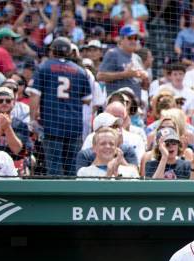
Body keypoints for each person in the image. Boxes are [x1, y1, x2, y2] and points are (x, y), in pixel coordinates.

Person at [28, 37, 92, 177]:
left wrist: (32, 118)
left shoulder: (44, 67)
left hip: (52, 125)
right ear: (69, 52)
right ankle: (71, 198)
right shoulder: (80, 71)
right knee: (71, 168)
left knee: (54, 168)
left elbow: (34, 96)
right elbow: (87, 100)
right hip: (73, 126)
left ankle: (56, 198)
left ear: (52, 51)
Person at [97, 25, 148, 101]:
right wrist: (124, 74)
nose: (133, 41)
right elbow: (100, 76)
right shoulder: (113, 53)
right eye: (130, 38)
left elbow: (144, 87)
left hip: (135, 107)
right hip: (117, 104)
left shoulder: (137, 58)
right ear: (121, 40)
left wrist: (145, 79)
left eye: (135, 38)